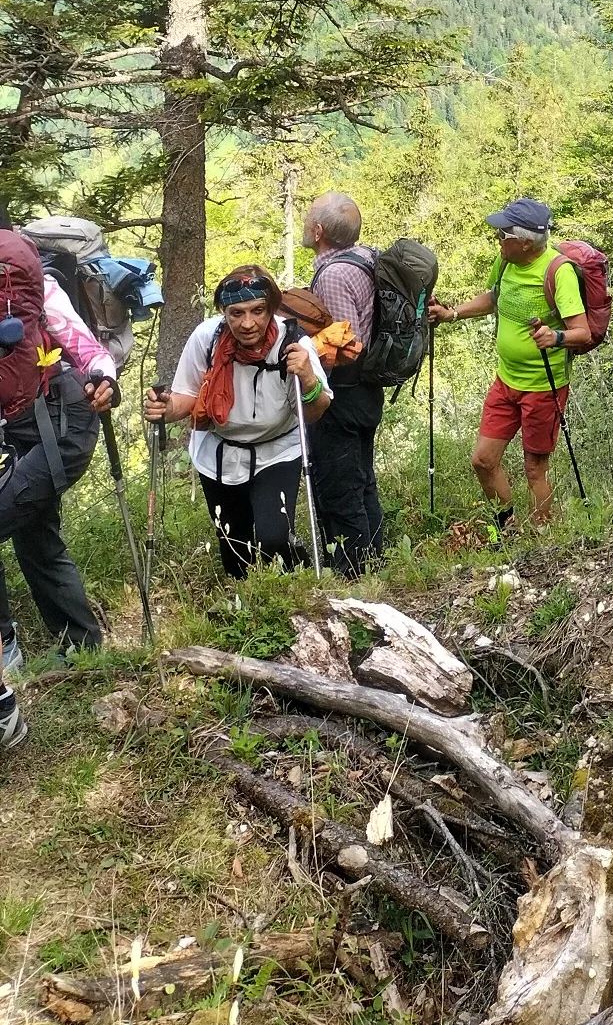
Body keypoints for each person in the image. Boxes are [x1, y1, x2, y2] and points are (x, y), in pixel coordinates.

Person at [145, 263, 330, 577]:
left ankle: (295, 582)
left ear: (271, 308)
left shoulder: (294, 343)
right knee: (234, 545)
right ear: (224, 312)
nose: (247, 323)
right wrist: (165, 408)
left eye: (258, 311)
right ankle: (245, 607)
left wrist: (309, 380)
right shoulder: (207, 339)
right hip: (219, 454)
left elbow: (315, 411)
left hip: (278, 451)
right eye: (236, 313)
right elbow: (188, 398)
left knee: (273, 538)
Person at [430, 197, 588, 532]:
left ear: (526, 242)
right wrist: (452, 314)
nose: (497, 240)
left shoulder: (558, 272)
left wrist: (555, 337)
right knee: (483, 460)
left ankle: (541, 539)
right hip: (506, 380)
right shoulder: (505, 262)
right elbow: (493, 298)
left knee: (535, 469)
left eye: (503, 235)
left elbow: (582, 332)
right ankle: (508, 528)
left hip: (544, 386)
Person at [0, 230, 110, 702]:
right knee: (35, 536)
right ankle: (83, 649)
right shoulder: (31, 284)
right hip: (24, 428)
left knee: (19, 524)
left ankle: (7, 646)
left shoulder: (37, 287)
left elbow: (86, 349)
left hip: (62, 424)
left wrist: (104, 379)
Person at [300, 191, 384, 577]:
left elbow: (349, 345)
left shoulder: (333, 275)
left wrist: (309, 364)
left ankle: (354, 577)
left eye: (308, 218)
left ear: (318, 231)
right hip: (364, 393)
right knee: (362, 481)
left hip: (343, 396)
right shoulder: (365, 256)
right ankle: (376, 566)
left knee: (340, 489)